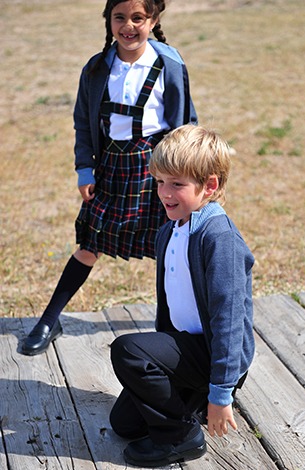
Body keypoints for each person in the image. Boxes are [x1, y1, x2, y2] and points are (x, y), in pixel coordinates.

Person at [21, 0, 197, 356]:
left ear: (154, 20)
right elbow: (83, 123)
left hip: (157, 167)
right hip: (112, 168)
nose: (128, 26)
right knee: (90, 242)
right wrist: (85, 168)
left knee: (169, 246)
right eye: (120, 17)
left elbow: (186, 121)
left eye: (138, 18)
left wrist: (183, 174)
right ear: (108, 20)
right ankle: (49, 319)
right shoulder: (97, 68)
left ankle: (168, 329)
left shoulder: (169, 64)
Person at [109, 124, 255, 467]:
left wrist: (221, 394)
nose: (165, 192)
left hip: (216, 357)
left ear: (210, 186)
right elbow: (170, 306)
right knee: (124, 425)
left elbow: (229, 319)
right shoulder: (170, 231)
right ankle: (192, 400)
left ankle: (181, 437)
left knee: (128, 350)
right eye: (160, 181)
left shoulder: (219, 239)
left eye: (177, 184)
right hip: (187, 350)